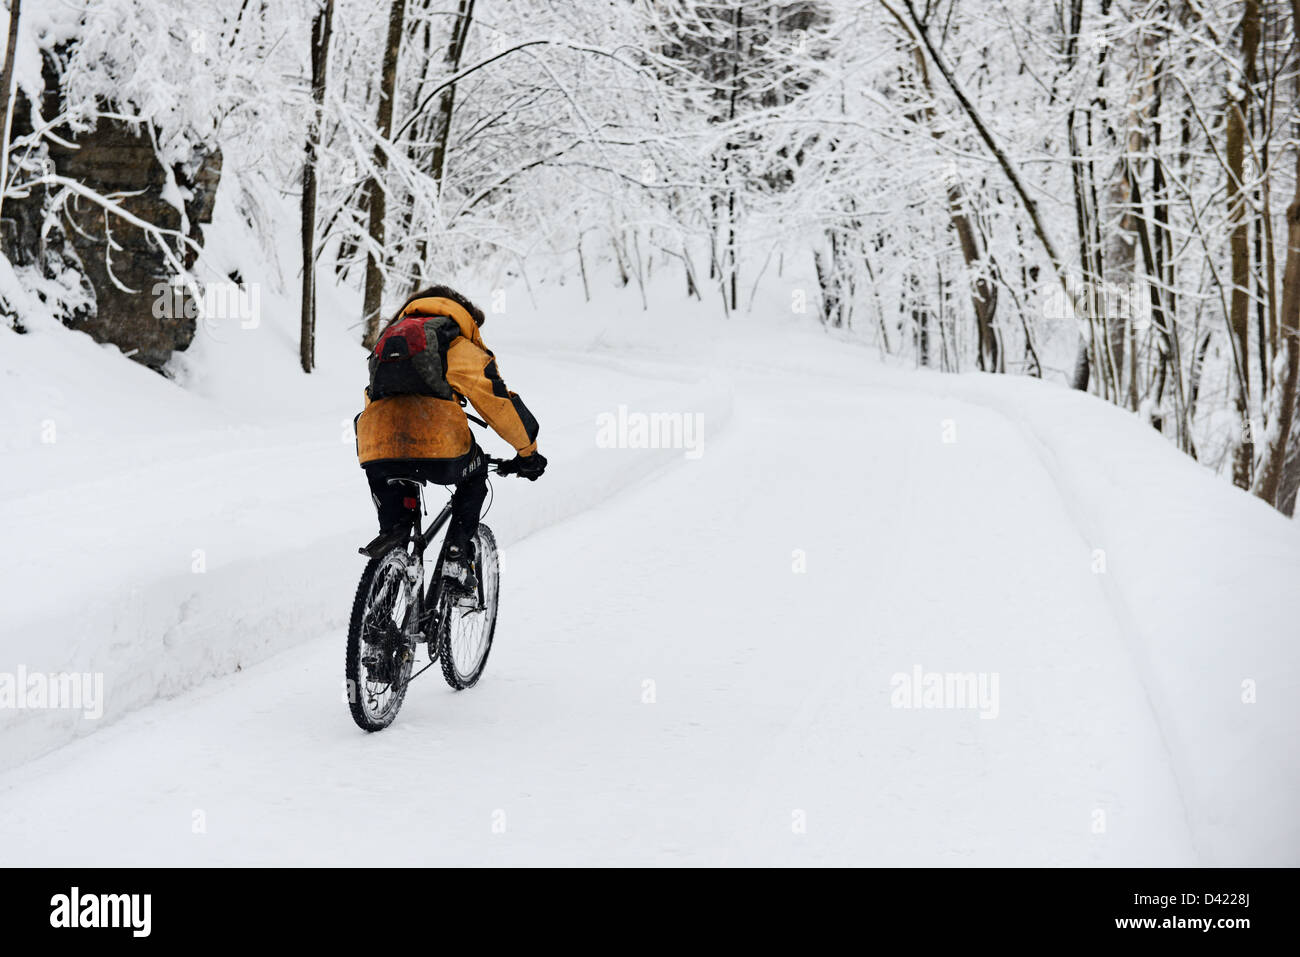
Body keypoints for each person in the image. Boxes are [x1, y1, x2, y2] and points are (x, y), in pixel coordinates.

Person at [354, 285, 545, 592]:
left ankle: (384, 594)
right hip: (440, 452)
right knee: (475, 472)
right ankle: (457, 558)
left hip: (376, 449)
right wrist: (528, 453)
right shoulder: (452, 341)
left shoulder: (387, 343)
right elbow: (496, 402)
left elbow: (373, 400)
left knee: (397, 531)